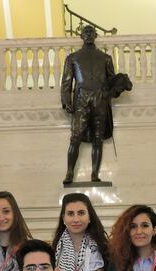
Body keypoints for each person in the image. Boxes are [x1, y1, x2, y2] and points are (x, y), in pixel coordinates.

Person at [60, 25, 116, 184]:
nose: (89, 34)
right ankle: (69, 172)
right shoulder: (73, 58)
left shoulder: (106, 58)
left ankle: (94, 174)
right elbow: (66, 82)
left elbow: (111, 82)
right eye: (86, 32)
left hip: (99, 99)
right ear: (81, 36)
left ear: (96, 35)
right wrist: (66, 100)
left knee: (98, 138)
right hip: (81, 99)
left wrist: (118, 84)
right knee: (75, 137)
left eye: (92, 32)